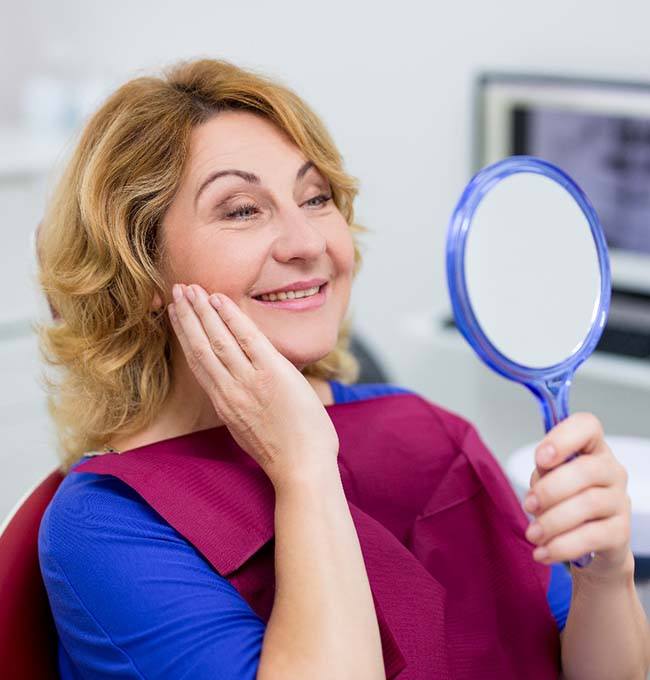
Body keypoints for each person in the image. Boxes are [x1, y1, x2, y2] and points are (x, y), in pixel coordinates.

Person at [35, 58, 650, 679]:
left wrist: (607, 576)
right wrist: (303, 468)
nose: (308, 243)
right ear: (138, 271)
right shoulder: (107, 524)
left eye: (316, 198)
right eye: (242, 209)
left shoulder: (428, 433)